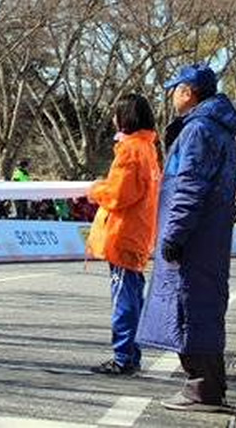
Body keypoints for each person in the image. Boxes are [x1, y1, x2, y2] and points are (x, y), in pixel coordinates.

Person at [138, 63, 236, 412]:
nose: (172, 97)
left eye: (175, 90)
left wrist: (175, 234)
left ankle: (201, 388)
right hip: (210, 235)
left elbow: (189, 187)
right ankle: (210, 383)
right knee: (206, 305)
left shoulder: (198, 130)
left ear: (187, 92)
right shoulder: (220, 130)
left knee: (188, 307)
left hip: (194, 238)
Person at [87, 93, 162, 376]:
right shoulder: (148, 148)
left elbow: (119, 194)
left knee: (124, 300)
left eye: (116, 113)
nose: (113, 119)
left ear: (125, 117)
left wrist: (96, 190)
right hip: (138, 232)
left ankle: (123, 356)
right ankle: (131, 354)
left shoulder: (131, 150)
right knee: (133, 297)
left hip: (123, 233)